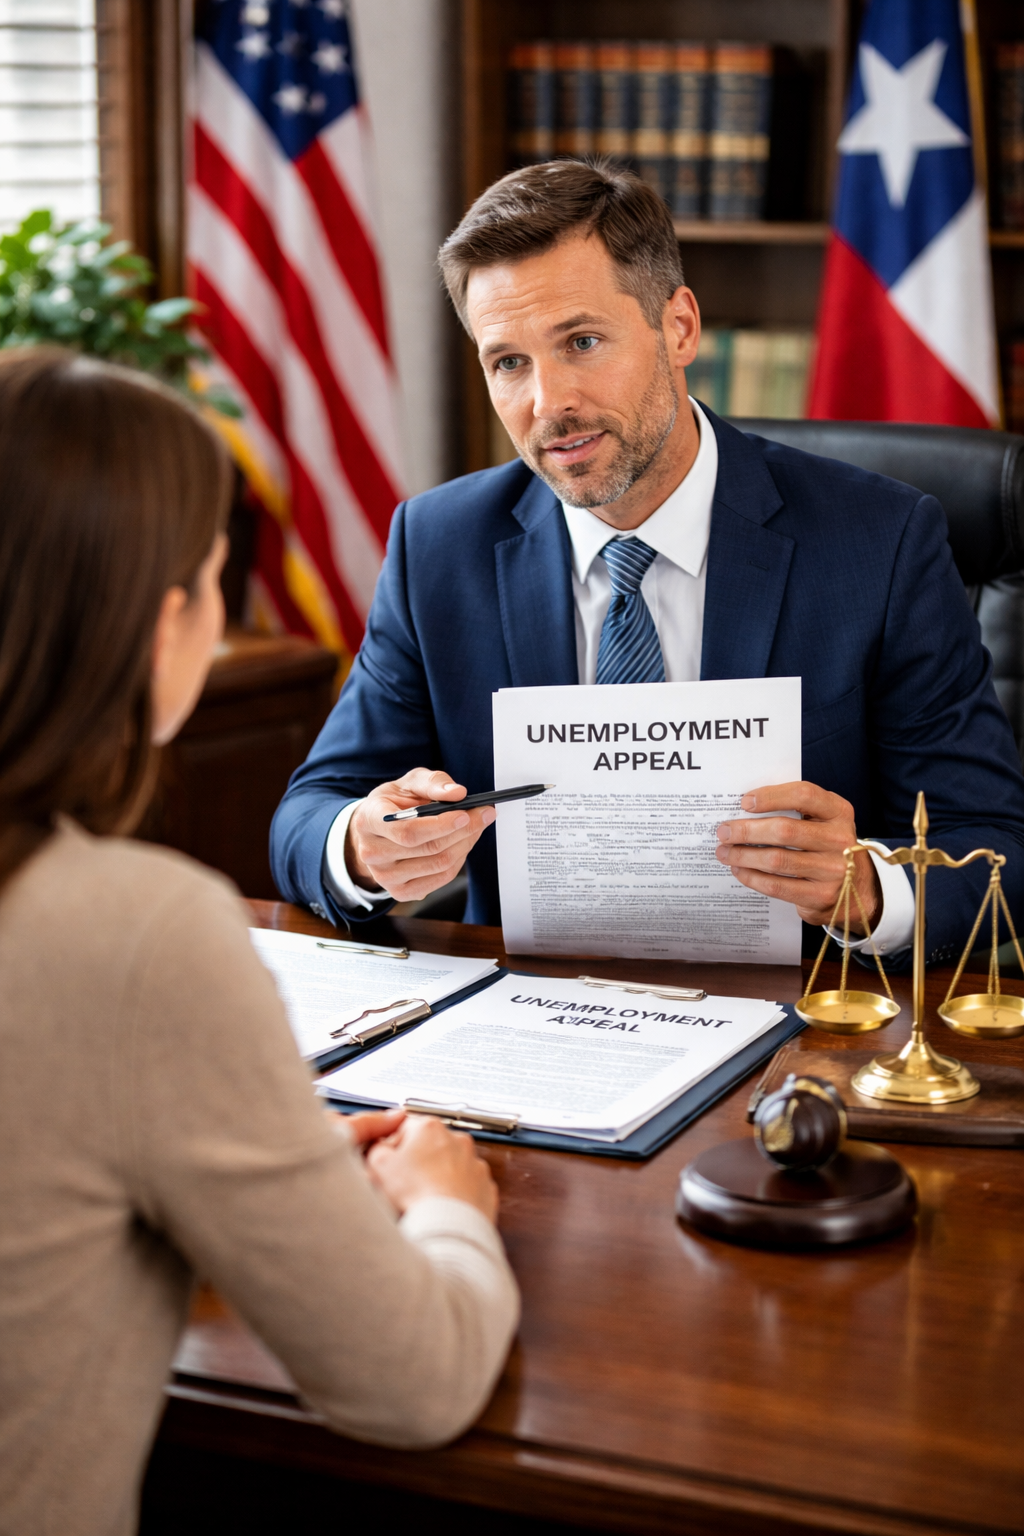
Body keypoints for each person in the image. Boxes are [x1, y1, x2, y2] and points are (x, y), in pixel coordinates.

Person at [0, 349, 518, 1536]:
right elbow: (414, 1383)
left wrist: (245, 1168)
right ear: (166, 617)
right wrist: (448, 1202)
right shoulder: (133, 931)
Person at [270, 158, 1024, 967]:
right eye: (508, 363)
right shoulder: (439, 545)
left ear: (680, 328)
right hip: (536, 1018)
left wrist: (869, 887)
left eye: (582, 341)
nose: (546, 403)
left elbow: (997, 856)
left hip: (804, 1015)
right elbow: (307, 815)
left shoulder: (879, 540)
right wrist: (360, 845)